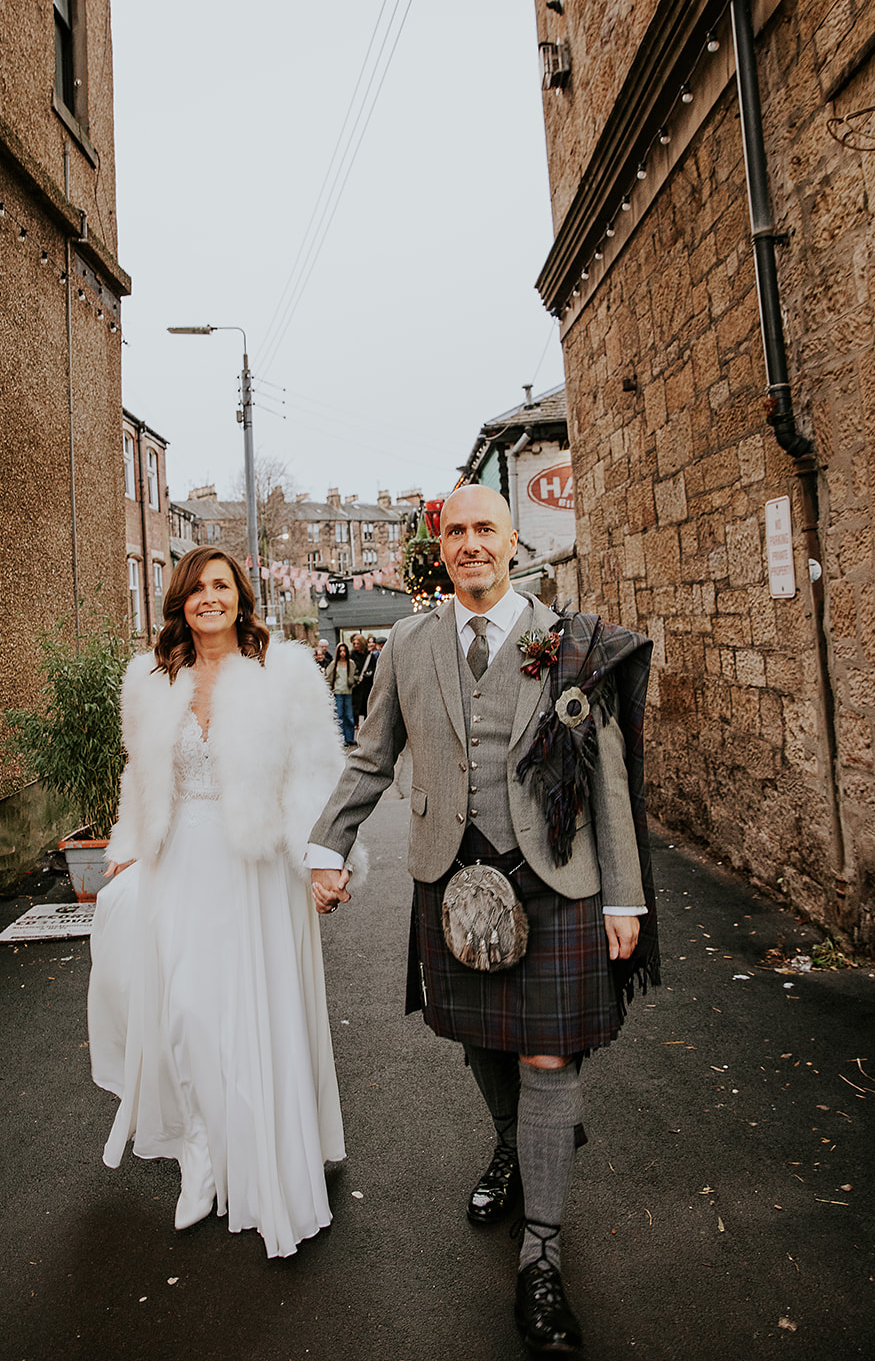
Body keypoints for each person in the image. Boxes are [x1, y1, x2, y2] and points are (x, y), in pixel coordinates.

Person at [308, 485, 657, 1353]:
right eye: (455, 531)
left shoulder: (569, 641)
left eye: (485, 530)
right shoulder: (407, 641)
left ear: (512, 542)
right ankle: (514, 1144)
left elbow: (606, 774)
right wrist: (327, 846)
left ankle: (540, 1255)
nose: (470, 544)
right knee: (479, 1043)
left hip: (556, 878)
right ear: (441, 547)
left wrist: (624, 892)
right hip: (451, 874)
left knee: (546, 1051)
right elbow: (371, 753)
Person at [88, 546, 357, 1259]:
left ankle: (256, 1155)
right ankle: (199, 1158)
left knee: (252, 1015)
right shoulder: (150, 678)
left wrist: (323, 863)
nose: (210, 597)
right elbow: (138, 774)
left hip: (258, 865)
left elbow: (316, 776)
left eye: (222, 585)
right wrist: (124, 840)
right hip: (179, 862)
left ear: (240, 597)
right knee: (184, 1012)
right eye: (197, 588)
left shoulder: (284, 673)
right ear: (179, 602)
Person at [326, 640, 357, 746]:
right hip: (337, 692)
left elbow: (356, 675)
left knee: (349, 716)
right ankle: (341, 739)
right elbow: (328, 676)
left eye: (344, 651)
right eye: (340, 651)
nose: (342, 653)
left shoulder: (351, 664)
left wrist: (353, 681)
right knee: (339, 716)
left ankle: (350, 738)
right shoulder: (334, 664)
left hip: (348, 692)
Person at [349, 634, 373, 729]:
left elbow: (374, 667)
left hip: (367, 684)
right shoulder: (351, 655)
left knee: (367, 704)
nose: (355, 645)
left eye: (357, 643)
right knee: (355, 706)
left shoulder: (369, 655)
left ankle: (367, 725)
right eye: (354, 643)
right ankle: (356, 724)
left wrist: (370, 671)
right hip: (356, 685)